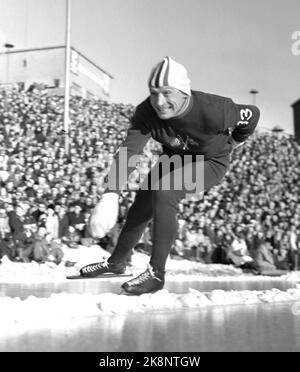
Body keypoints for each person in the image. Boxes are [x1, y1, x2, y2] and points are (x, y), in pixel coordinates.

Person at [80, 56, 260, 295]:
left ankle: (156, 274)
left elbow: (253, 113)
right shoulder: (146, 112)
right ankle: (117, 262)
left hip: (210, 162)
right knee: (142, 202)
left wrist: (236, 140)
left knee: (166, 191)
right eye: (153, 93)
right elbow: (129, 151)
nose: (159, 102)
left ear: (184, 93)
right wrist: (111, 192)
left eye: (167, 93)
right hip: (174, 158)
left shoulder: (215, 110)